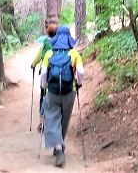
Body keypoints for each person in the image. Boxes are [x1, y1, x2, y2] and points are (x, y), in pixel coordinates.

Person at [37, 25, 84, 167]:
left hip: (52, 92)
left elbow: (44, 73)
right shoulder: (74, 54)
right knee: (65, 119)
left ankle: (58, 148)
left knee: (52, 118)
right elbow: (81, 72)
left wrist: (44, 86)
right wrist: (78, 82)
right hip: (68, 91)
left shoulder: (49, 54)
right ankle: (60, 144)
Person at [31, 21, 59, 132]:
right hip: (56, 74)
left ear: (48, 33)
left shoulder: (45, 44)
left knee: (43, 97)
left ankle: (42, 122)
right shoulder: (59, 44)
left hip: (45, 74)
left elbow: (38, 57)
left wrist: (33, 65)